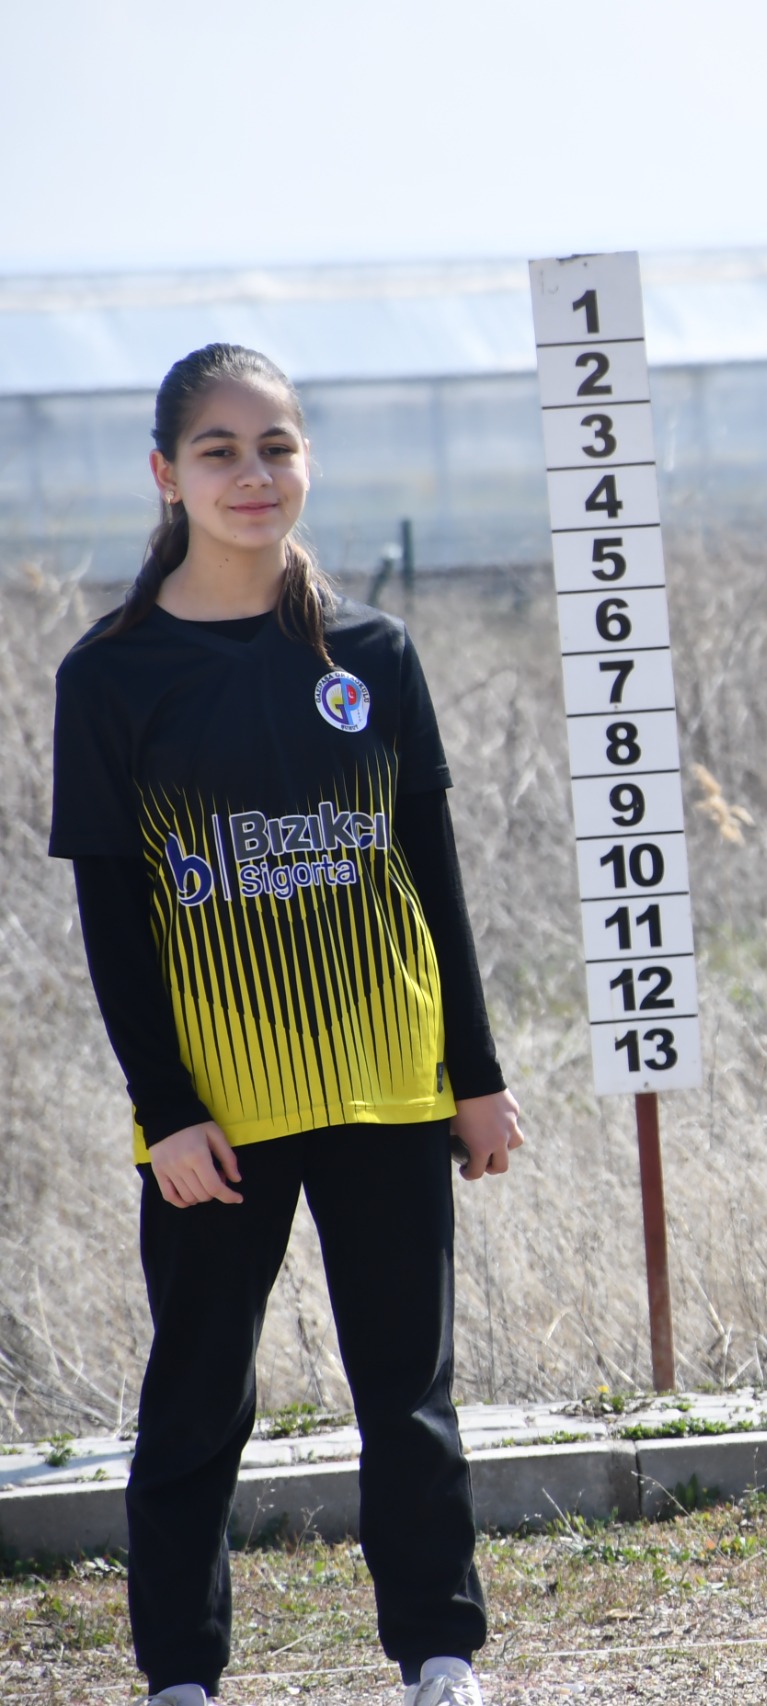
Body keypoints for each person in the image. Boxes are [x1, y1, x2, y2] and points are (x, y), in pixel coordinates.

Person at [49, 343, 523, 1706]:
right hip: (220, 1113)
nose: (253, 475)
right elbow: (117, 931)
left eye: (277, 447)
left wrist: (474, 1081)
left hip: (387, 1085)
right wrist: (166, 1112)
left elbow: (430, 877)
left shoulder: (372, 653)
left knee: (408, 1394)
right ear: (166, 476)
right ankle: (182, 1674)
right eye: (220, 450)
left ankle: (440, 1654)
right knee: (199, 1397)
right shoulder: (114, 679)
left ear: (304, 462)